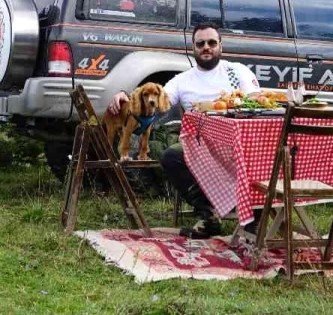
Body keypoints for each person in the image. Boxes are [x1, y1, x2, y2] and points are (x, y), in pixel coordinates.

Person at [107, 22, 260, 238]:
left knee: (263, 154)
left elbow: (257, 103)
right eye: (201, 43)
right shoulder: (182, 80)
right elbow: (154, 100)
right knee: (172, 156)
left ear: (220, 46)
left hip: (238, 143)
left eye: (211, 42)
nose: (206, 47)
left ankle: (255, 221)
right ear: (193, 48)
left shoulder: (237, 71)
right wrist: (125, 94)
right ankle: (208, 216)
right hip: (200, 146)